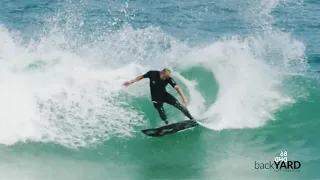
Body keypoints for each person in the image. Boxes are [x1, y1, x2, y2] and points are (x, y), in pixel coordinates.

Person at [123, 68, 194, 124]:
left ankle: (191, 118)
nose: (164, 79)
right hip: (156, 98)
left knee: (179, 105)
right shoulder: (152, 73)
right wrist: (131, 81)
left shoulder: (168, 78)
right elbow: (141, 77)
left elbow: (177, 87)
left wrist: (184, 97)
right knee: (161, 111)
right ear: (161, 72)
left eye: (166, 78)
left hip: (165, 95)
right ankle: (167, 124)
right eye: (163, 77)